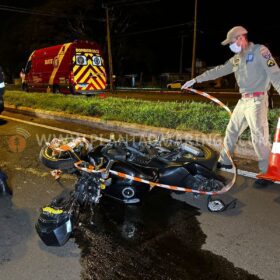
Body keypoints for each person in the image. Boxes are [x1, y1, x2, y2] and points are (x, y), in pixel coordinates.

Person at [181, 26, 280, 185]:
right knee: (232, 130)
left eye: (232, 42)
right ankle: (225, 160)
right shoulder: (237, 58)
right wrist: (195, 80)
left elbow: (275, 74)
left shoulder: (261, 51)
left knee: (259, 137)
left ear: (241, 38)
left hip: (257, 100)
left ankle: (267, 171)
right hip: (243, 100)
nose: (230, 46)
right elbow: (219, 70)